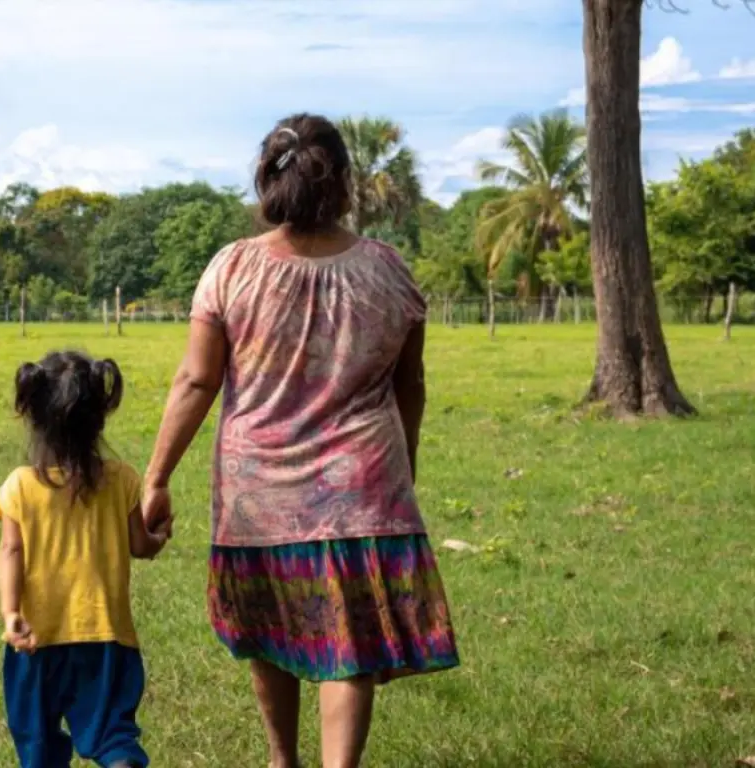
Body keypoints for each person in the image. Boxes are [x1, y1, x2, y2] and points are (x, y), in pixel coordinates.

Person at [141, 114, 460, 768]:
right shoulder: (388, 272)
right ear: (343, 181)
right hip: (363, 486)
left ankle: (281, 761)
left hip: (258, 493)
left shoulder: (231, 268)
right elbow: (412, 384)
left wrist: (156, 477)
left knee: (268, 628)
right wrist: (406, 466)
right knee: (353, 641)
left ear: (267, 180)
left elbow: (197, 381)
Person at [0, 350, 172, 768]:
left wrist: (9, 613)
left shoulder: (20, 486)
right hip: (106, 635)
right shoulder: (122, 478)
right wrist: (160, 536)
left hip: (37, 639)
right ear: (99, 418)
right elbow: (140, 546)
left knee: (35, 737)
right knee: (113, 732)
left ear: (34, 416)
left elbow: (10, 550)